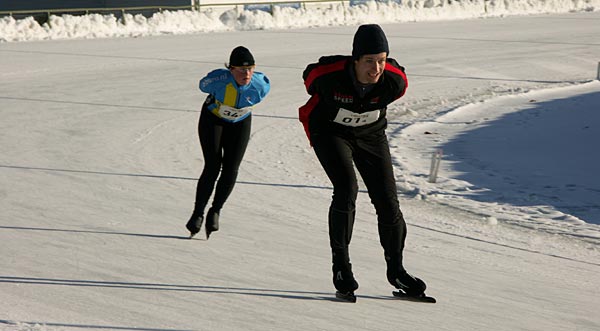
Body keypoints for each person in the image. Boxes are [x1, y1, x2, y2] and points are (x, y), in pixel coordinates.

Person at [299, 24, 427, 301]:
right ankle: (342, 269)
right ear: (354, 60)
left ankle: (397, 271)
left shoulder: (395, 81)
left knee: (388, 200)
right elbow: (308, 79)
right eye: (369, 61)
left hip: (370, 134)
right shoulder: (327, 75)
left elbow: (393, 89)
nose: (376, 68)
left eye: (381, 60)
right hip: (330, 131)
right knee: (347, 189)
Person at [186, 46, 270, 239]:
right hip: (213, 118)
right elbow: (202, 85)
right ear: (230, 69)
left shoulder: (261, 85)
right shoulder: (219, 80)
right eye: (241, 69)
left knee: (232, 168)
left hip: (240, 122)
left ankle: (215, 210)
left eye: (250, 69)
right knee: (213, 165)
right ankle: (198, 213)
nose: (246, 73)